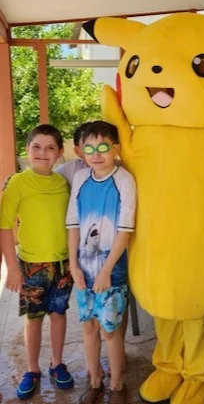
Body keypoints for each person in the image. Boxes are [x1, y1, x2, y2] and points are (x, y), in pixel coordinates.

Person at [0, 124, 74, 400]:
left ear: (59, 152)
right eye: (36, 147)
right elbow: (4, 226)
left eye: (50, 147)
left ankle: (57, 363)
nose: (43, 153)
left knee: (59, 313)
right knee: (33, 318)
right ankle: (32, 369)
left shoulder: (63, 183)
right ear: (27, 150)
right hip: (31, 265)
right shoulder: (18, 182)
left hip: (63, 263)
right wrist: (12, 268)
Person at [66, 121, 136, 404]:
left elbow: (125, 230)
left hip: (111, 268)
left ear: (115, 149)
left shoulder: (124, 180)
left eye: (103, 147)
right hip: (84, 267)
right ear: (80, 152)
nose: (96, 154)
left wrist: (107, 271)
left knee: (110, 330)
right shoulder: (81, 178)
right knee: (88, 327)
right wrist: (73, 265)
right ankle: (95, 379)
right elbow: (73, 223)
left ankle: (117, 384)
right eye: (89, 148)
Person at [55, 122, 91, 187]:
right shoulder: (69, 170)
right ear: (77, 151)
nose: (96, 153)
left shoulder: (112, 170)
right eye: (89, 148)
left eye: (101, 147)